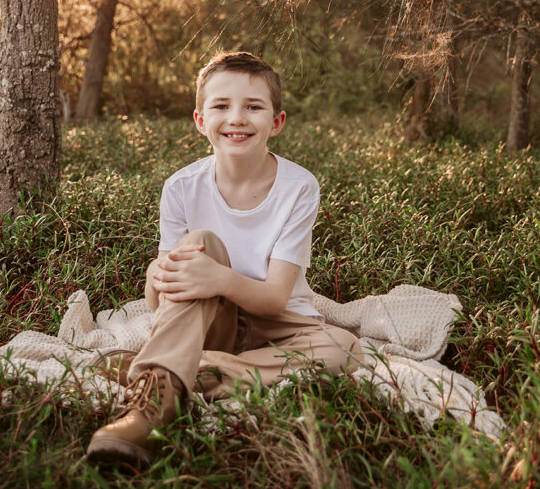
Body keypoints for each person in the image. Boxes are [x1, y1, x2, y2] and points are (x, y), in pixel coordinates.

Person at [86, 51, 361, 466]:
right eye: (221, 106)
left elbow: (274, 299)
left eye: (253, 106)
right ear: (200, 120)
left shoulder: (299, 187)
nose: (237, 118)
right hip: (210, 320)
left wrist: (219, 279)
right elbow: (161, 305)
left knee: (346, 349)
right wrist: (156, 274)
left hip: (277, 321)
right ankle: (150, 409)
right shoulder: (181, 187)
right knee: (201, 241)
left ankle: (164, 373)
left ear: (277, 121)